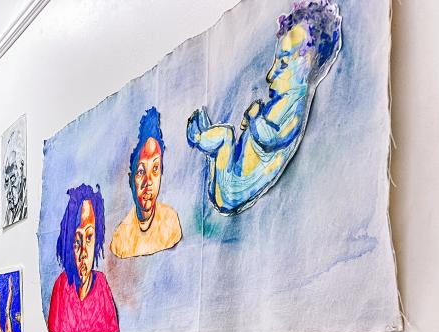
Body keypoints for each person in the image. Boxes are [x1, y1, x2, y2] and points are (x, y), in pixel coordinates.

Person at [186, 0, 342, 215]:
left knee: (224, 135)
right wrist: (255, 118)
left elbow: (269, 137)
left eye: (283, 63)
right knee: (226, 137)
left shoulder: (294, 111)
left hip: (234, 189)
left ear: (309, 66)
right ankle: (203, 138)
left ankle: (198, 138)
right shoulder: (284, 103)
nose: (271, 74)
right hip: (233, 180)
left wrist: (255, 118)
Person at [111, 106, 183, 258]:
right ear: (131, 180)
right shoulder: (120, 239)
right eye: (141, 172)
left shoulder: (170, 223)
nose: (148, 182)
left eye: (155, 169)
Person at [48, 184, 119, 332]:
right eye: (76, 240)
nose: (83, 253)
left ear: (97, 239)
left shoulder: (101, 287)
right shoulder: (61, 287)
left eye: (89, 237)